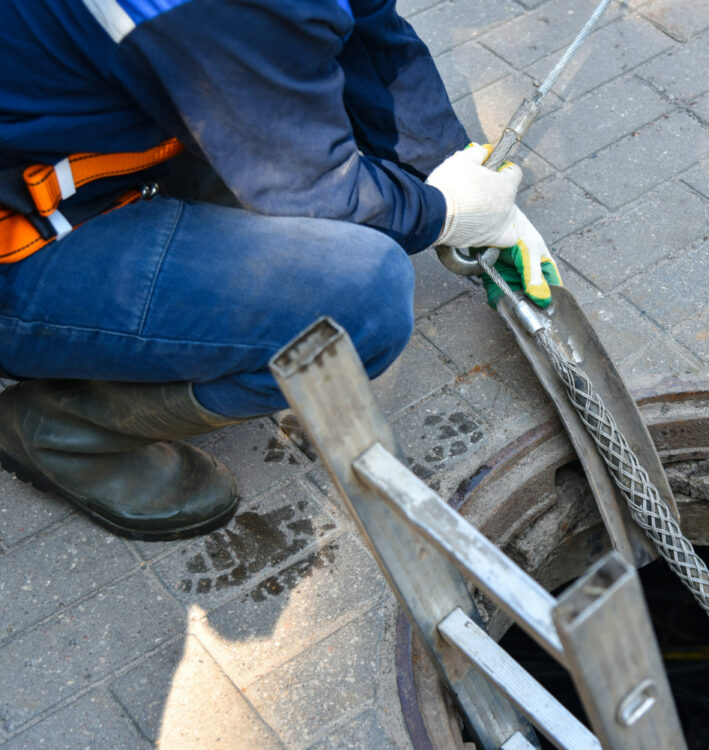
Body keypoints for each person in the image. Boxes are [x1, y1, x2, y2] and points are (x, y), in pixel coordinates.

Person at [0, 0, 561, 540]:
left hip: (84, 147)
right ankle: (65, 429)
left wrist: (446, 164)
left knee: (322, 161)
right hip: (23, 242)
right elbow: (315, 191)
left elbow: (367, 31)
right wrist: (444, 214)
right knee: (361, 300)